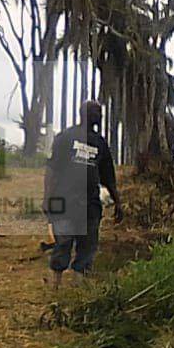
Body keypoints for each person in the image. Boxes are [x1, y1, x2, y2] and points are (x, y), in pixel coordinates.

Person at [43, 99, 122, 287]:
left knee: (88, 246)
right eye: (96, 113)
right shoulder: (65, 137)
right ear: (85, 114)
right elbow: (52, 170)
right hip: (65, 201)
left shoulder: (100, 143)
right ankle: (56, 285)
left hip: (90, 205)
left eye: (100, 114)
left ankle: (78, 286)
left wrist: (118, 202)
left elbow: (108, 176)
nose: (100, 117)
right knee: (63, 243)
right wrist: (48, 198)